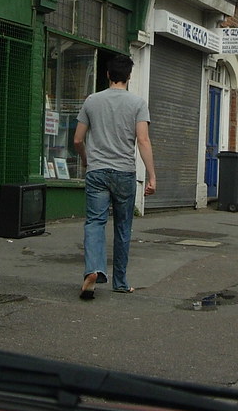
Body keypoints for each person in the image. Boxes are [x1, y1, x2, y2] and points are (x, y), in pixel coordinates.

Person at [73, 54, 156, 300]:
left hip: (97, 171)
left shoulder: (92, 101)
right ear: (129, 76)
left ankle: (93, 270)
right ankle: (120, 282)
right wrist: (152, 175)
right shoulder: (138, 103)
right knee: (122, 227)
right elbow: (143, 140)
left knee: (95, 223)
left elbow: (77, 139)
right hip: (124, 173)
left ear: (108, 74)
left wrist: (87, 160)